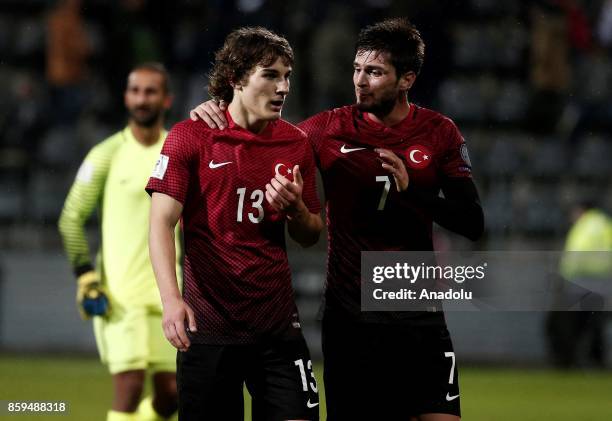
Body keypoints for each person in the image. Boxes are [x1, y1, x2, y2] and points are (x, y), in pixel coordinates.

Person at [191, 18, 484, 421]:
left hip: (419, 311)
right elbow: (266, 135)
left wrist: (412, 190)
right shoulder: (325, 130)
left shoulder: (440, 132)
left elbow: (472, 222)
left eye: (375, 72)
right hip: (352, 316)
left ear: (407, 79)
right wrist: (220, 108)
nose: (360, 81)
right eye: (357, 69)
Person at [146, 27, 322, 421]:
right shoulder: (189, 137)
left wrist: (296, 210)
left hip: (277, 329)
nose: (283, 87)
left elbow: (311, 233)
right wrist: (171, 300)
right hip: (208, 327)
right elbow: (160, 223)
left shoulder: (295, 143)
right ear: (236, 79)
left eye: (287, 76)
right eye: (270, 74)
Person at [58, 63, 180, 421]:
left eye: (150, 91)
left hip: (168, 295)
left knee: (172, 395)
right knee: (128, 387)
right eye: (135, 90)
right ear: (126, 96)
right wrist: (85, 276)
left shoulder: (179, 152)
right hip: (120, 297)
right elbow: (70, 219)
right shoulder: (105, 154)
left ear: (166, 99)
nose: (141, 99)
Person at [546, 201, 612, 368]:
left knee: (562, 323)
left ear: (581, 211)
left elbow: (575, 255)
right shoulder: (605, 224)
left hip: (579, 282)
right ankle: (596, 362)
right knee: (594, 326)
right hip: (602, 284)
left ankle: (565, 361)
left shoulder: (585, 226)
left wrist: (563, 276)